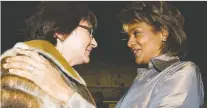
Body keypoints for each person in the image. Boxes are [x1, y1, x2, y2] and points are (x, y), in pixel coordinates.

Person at [1, 1, 98, 108]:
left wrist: (65, 93)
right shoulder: (25, 70)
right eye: (90, 32)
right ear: (61, 31)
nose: (94, 43)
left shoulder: (58, 79)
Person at [115, 1, 204, 108]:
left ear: (163, 33)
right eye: (128, 36)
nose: (129, 43)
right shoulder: (141, 78)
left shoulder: (183, 72)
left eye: (136, 33)